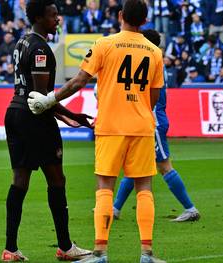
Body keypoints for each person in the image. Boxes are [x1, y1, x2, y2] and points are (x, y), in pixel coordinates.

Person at [27, 1, 166, 262]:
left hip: (111, 125)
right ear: (145, 20)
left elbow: (79, 81)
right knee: (144, 188)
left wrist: (50, 100)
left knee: (105, 186)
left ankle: (100, 252)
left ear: (121, 15)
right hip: (142, 125)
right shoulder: (154, 52)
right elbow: (153, 97)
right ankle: (147, 253)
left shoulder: (104, 44)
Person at [1, 0, 92, 261]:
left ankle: (11, 248)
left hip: (14, 112)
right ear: (40, 17)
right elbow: (41, 98)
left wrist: (67, 116)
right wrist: (71, 115)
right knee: (56, 179)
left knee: (19, 180)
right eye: (53, 15)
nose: (58, 19)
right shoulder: (41, 48)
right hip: (33, 118)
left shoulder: (22, 42)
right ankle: (65, 246)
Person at [113, 29, 200, 223]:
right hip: (147, 120)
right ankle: (115, 209)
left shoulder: (152, 60)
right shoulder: (155, 59)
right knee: (135, 166)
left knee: (164, 166)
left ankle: (190, 208)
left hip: (153, 122)